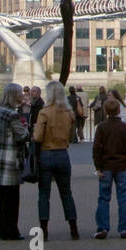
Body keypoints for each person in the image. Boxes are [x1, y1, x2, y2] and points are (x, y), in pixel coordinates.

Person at [33, 80, 79, 240]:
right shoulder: (69, 113)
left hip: (46, 152)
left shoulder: (44, 112)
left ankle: (44, 229)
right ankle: (73, 227)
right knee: (66, 192)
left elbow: (38, 136)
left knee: (44, 193)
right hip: (62, 153)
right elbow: (71, 135)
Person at [91, 97, 126, 239]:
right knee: (123, 197)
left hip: (106, 165)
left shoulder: (102, 127)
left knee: (104, 198)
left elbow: (96, 148)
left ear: (105, 111)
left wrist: (98, 166)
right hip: (122, 165)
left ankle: (103, 227)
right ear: (118, 110)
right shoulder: (125, 127)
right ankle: (123, 228)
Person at [0, 83, 29, 240]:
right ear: (14, 96)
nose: (22, 96)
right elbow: (22, 135)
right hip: (10, 160)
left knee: (3, 198)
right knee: (13, 198)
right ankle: (12, 230)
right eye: (20, 94)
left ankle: (2, 229)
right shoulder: (12, 115)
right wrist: (26, 126)